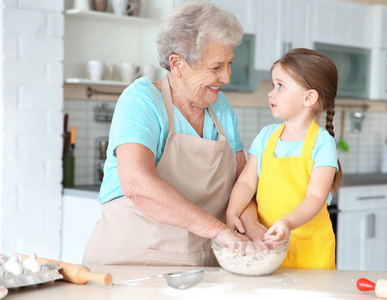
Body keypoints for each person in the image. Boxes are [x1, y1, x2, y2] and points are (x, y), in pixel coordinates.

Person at [82, 0, 251, 267]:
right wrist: (218, 230)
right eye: (216, 67)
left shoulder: (221, 108)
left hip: (202, 268)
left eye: (229, 63)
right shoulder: (142, 101)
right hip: (131, 265)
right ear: (177, 64)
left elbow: (244, 182)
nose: (227, 77)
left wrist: (252, 227)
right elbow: (139, 185)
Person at [226, 48, 342, 270]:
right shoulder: (266, 136)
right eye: (272, 85)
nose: (271, 93)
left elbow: (316, 197)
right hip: (267, 246)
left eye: (280, 86)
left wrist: (288, 223)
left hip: (310, 250)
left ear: (309, 97)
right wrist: (232, 212)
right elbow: (246, 182)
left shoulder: (323, 143)